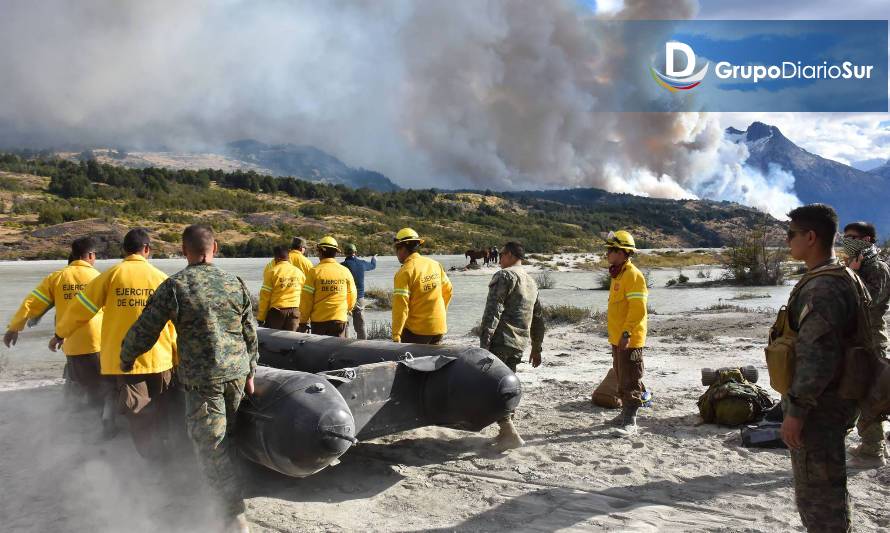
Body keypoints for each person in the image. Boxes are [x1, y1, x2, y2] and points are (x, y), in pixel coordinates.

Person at [120, 225, 256, 533]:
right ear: (216, 247)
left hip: (203, 380)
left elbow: (145, 329)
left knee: (212, 447)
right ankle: (229, 498)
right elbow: (250, 331)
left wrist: (127, 358)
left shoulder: (175, 286)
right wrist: (251, 370)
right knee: (227, 438)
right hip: (235, 377)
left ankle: (233, 518)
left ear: (184, 251)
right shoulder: (234, 282)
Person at [780, 204, 863, 532]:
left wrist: (796, 411)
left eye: (791, 235)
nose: (788, 242)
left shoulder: (824, 287)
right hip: (830, 401)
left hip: (819, 407)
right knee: (827, 491)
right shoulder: (837, 276)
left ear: (811, 237)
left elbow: (818, 356)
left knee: (818, 500)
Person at [55, 228, 176, 450]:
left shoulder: (109, 276)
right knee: (162, 407)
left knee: (137, 411)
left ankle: (149, 455)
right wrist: (177, 355)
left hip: (125, 361)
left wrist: (60, 334)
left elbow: (79, 311)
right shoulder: (162, 278)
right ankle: (164, 450)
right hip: (160, 358)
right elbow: (174, 323)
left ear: (124, 250)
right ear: (147, 249)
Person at [4, 237, 104, 405]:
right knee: (102, 388)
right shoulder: (100, 278)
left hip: (71, 343)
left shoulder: (57, 278)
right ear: (91, 255)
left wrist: (14, 327)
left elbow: (32, 302)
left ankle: (71, 419)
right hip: (99, 342)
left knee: (77, 387)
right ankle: (101, 423)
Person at [479, 241, 545, 450]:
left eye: (500, 255)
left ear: (508, 255)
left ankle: (508, 431)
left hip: (500, 340)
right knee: (508, 385)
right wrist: (536, 347)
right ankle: (505, 431)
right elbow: (538, 318)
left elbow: (493, 312)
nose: (499, 259)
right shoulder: (531, 282)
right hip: (519, 343)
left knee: (492, 387)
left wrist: (484, 343)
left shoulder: (505, 276)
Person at [841, 221, 890, 468]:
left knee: (872, 397)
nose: (847, 240)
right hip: (853, 341)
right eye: (845, 236)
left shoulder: (878, 268)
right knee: (854, 390)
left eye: (853, 237)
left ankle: (873, 451)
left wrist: (853, 274)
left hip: (872, 340)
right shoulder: (853, 265)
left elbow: (867, 302)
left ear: (867, 240)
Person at [603, 230, 648, 437]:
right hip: (617, 338)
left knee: (631, 378)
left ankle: (631, 420)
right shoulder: (618, 274)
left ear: (622, 253)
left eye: (611, 250)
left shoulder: (633, 275)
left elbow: (638, 309)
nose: (607, 254)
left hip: (629, 339)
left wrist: (627, 333)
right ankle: (625, 413)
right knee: (621, 377)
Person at [391, 228, 452, 344]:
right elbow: (448, 290)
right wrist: (440, 313)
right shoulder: (435, 264)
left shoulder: (405, 272)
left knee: (408, 361)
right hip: (439, 327)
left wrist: (396, 335)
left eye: (396, 249)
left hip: (417, 331)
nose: (396, 253)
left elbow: (400, 307)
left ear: (402, 248)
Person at [298, 236, 356, 337]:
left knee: (320, 352)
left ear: (320, 252)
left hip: (319, 322)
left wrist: (303, 321)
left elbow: (306, 300)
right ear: (336, 253)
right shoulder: (345, 271)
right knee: (338, 352)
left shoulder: (314, 272)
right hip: (339, 320)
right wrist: (346, 310)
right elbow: (352, 295)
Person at [258, 245, 304, 331]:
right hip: (295, 312)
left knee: (273, 342)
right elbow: (305, 296)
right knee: (293, 341)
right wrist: (305, 319)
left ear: (276, 257)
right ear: (288, 256)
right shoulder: (299, 272)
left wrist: (261, 318)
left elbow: (265, 298)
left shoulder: (271, 272)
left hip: (276, 312)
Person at [341, 243, 376, 339]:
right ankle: (363, 345)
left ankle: (344, 344)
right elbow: (373, 266)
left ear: (345, 253)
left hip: (346, 299)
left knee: (345, 324)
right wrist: (374, 259)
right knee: (360, 325)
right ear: (355, 252)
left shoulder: (342, 266)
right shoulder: (362, 263)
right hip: (360, 298)